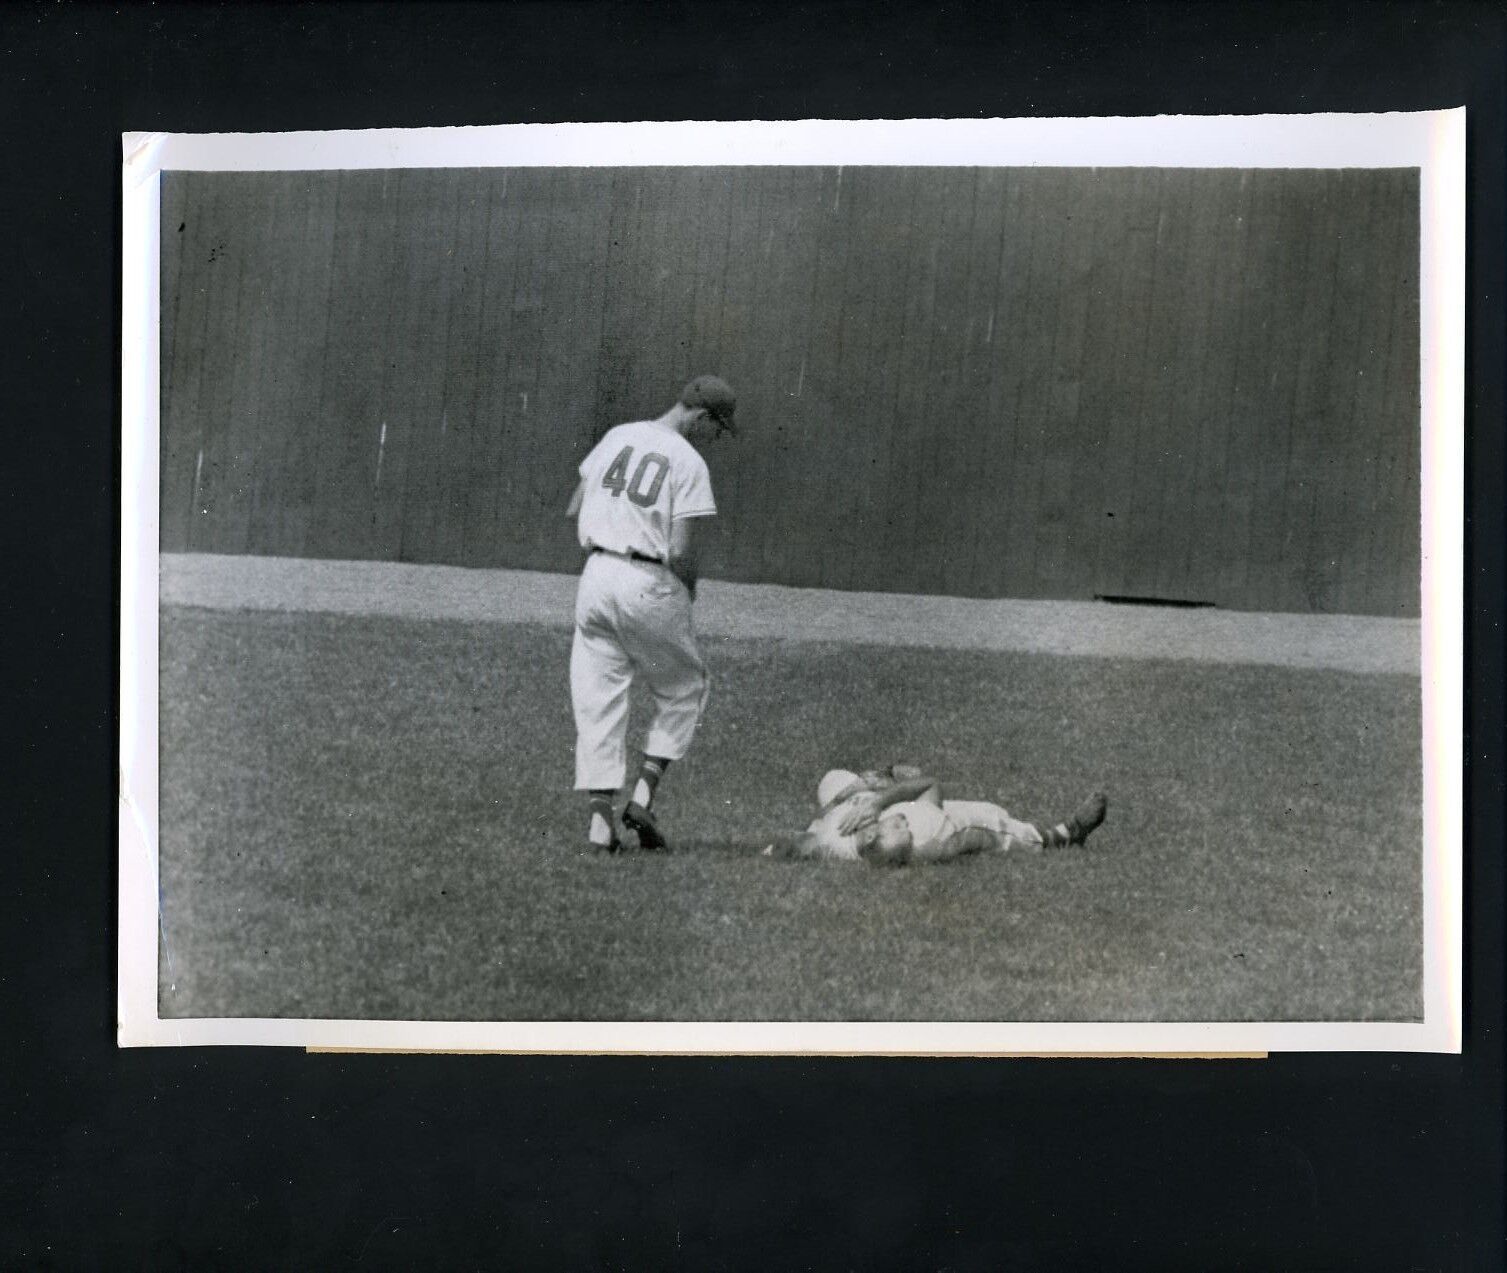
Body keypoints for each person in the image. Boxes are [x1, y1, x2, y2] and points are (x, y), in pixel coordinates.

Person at [566, 375, 737, 853]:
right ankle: (642, 796)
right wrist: (688, 587)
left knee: (598, 697)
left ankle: (600, 826)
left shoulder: (618, 435)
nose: (715, 438)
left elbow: (575, 504)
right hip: (648, 580)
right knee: (685, 686)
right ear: (700, 417)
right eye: (717, 428)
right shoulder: (689, 460)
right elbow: (681, 549)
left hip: (596, 574)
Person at [766, 764, 1107, 866]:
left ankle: (881, 778)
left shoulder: (830, 841)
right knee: (986, 818)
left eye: (897, 826)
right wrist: (883, 801)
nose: (903, 825)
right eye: (900, 827)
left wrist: (854, 795)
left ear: (869, 833)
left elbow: (808, 833)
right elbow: (930, 786)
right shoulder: (925, 833)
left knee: (832, 778)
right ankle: (1064, 834)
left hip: (850, 808)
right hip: (912, 806)